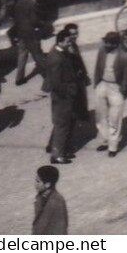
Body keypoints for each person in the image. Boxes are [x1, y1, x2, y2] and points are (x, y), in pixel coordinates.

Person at [86, 29, 127, 156]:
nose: (105, 45)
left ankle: (113, 147)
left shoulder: (124, 57)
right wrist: (97, 83)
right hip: (102, 84)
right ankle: (106, 140)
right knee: (101, 115)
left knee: (115, 118)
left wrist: (122, 89)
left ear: (115, 44)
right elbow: (97, 67)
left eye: (108, 43)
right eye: (105, 42)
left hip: (115, 88)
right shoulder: (102, 51)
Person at [45, 24, 87, 163]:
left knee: (66, 123)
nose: (70, 43)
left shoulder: (60, 52)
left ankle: (62, 150)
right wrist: (69, 93)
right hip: (63, 98)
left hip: (66, 96)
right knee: (62, 125)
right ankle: (57, 155)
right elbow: (57, 84)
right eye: (68, 41)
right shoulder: (56, 58)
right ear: (61, 41)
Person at [11, 0, 49, 86]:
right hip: (31, 33)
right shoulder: (32, 4)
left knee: (22, 55)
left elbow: (16, 19)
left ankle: (19, 78)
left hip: (21, 33)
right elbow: (34, 20)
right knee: (38, 56)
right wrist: (43, 24)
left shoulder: (19, 2)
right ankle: (49, 77)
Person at [32, 165, 68, 235]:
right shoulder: (41, 196)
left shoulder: (55, 202)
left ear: (47, 184)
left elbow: (61, 228)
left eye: (38, 181)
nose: (35, 184)